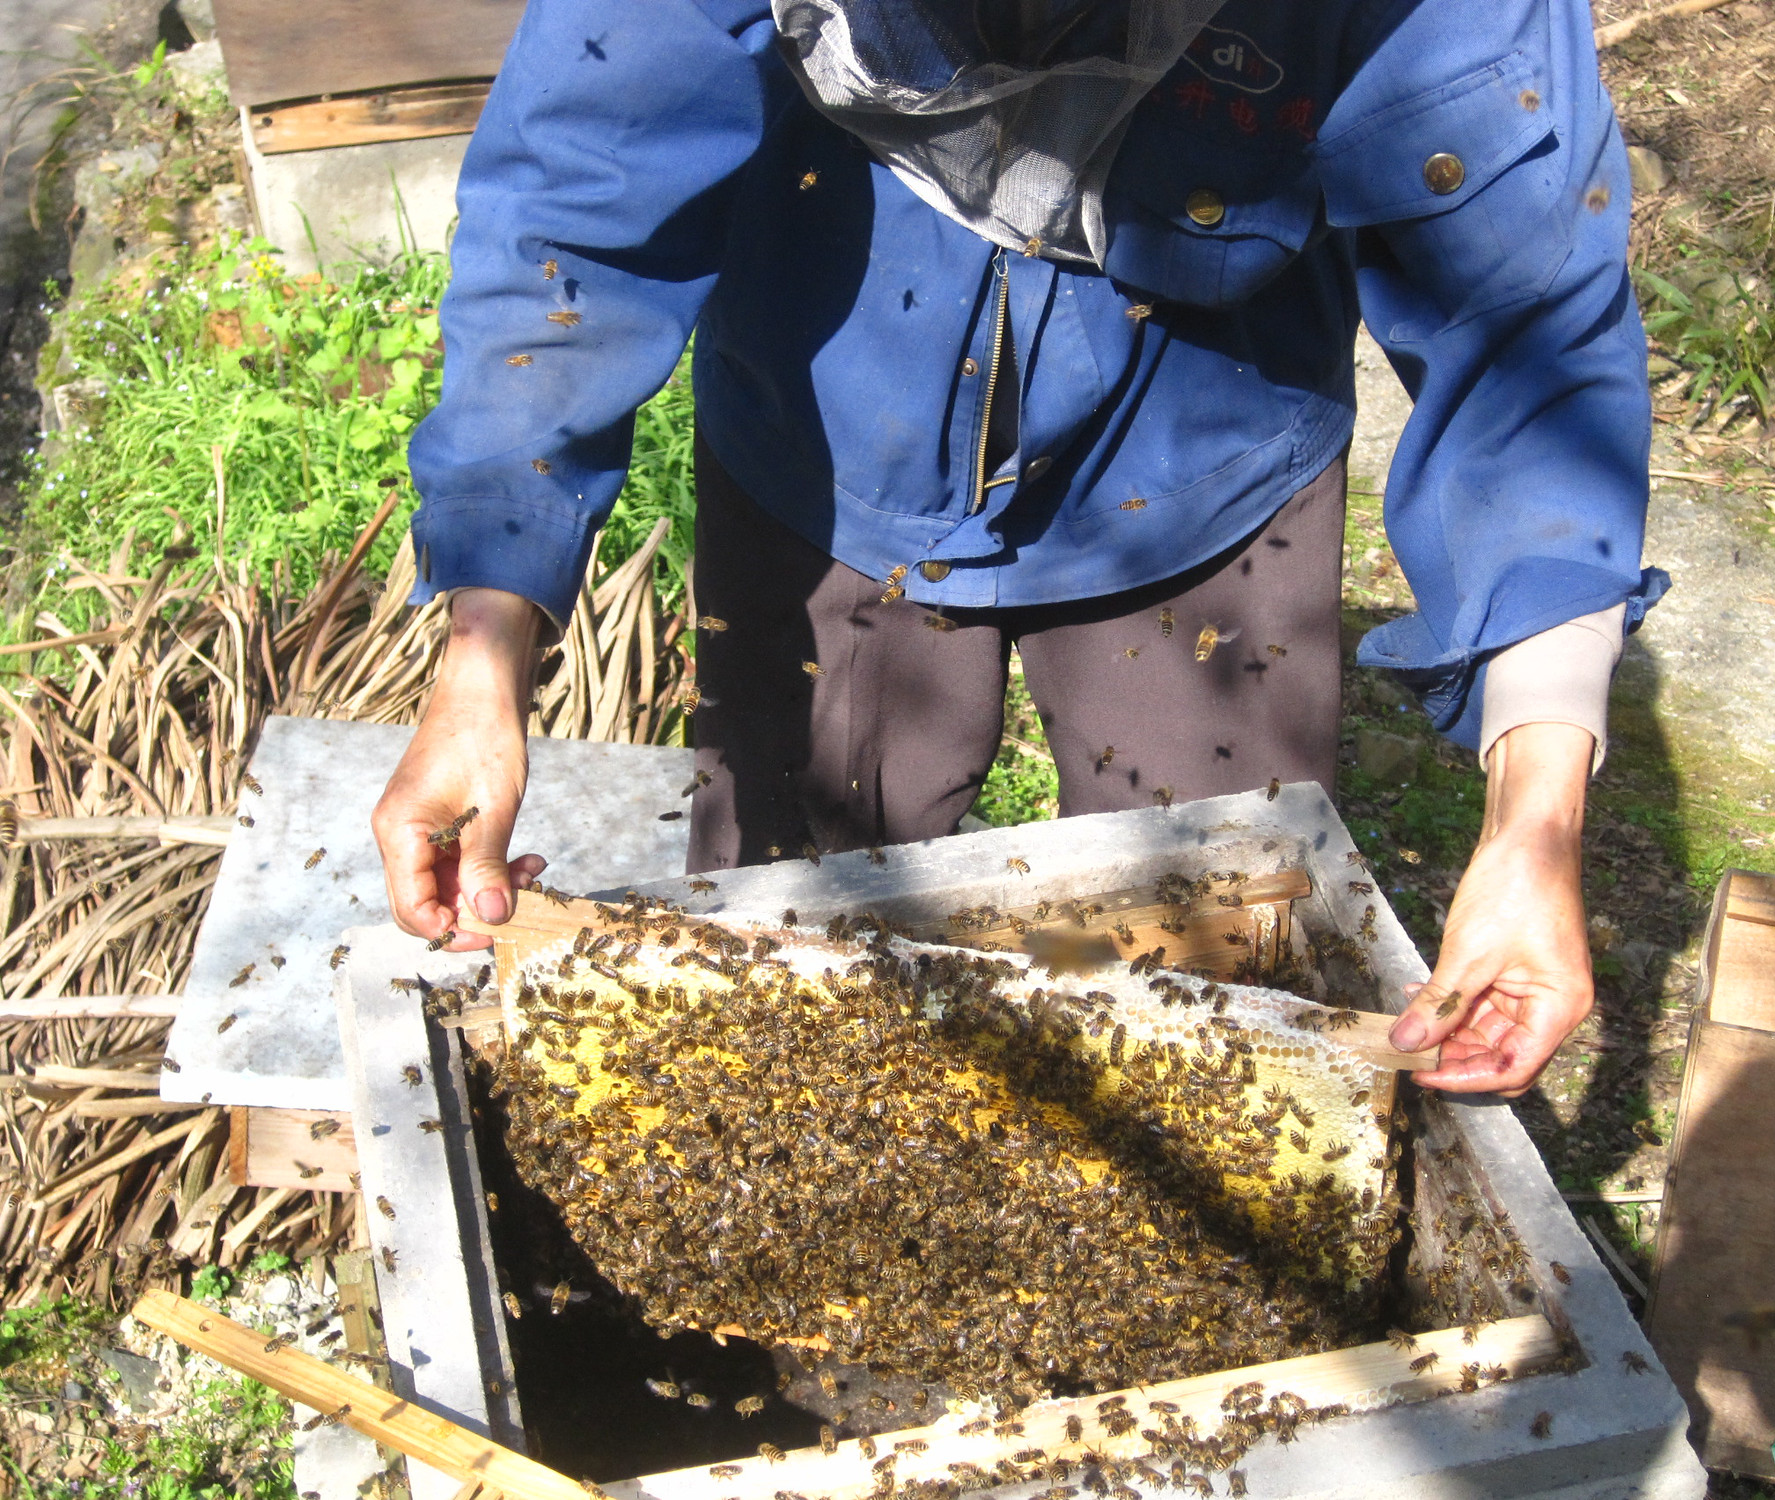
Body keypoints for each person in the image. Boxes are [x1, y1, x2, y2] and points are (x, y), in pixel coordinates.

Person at [372, 0, 1668, 1098]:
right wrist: (483, 656)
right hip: (830, 425)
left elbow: (1532, 342)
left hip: (1208, 453)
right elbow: (578, 190)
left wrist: (1535, 823)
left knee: (1221, 1005)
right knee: (791, 1001)